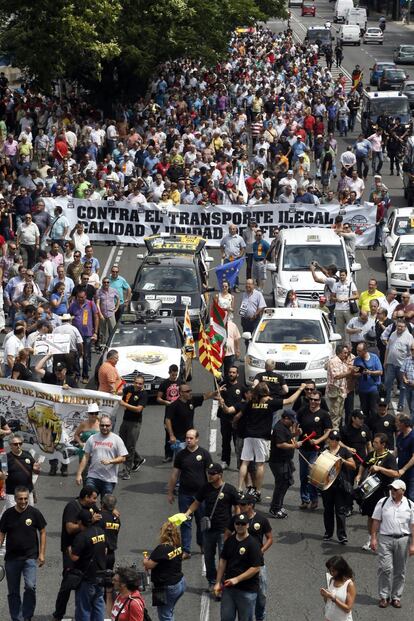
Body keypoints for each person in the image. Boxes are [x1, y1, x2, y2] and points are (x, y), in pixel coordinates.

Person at [238, 382, 306, 501]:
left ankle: (239, 488)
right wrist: (300, 389)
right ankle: (258, 491)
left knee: (245, 462)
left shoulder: (251, 402)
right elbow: (289, 401)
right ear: (265, 391)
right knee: (260, 464)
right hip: (261, 436)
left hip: (248, 435)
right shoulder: (270, 402)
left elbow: (241, 415)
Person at [184, 463, 240, 592]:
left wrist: (236, 524)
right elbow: (196, 503)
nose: (209, 475)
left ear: (220, 475)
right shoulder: (205, 488)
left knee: (223, 557)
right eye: (209, 473)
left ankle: (223, 582)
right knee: (208, 557)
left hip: (224, 530)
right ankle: (212, 581)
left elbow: (236, 507)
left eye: (212, 473)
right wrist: (187, 513)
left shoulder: (229, 490)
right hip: (208, 530)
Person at [52, 486, 101, 621]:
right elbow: (69, 528)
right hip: (71, 549)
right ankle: (58, 615)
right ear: (86, 497)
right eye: (94, 498)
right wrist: (88, 522)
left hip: (86, 549)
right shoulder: (72, 507)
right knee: (68, 582)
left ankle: (86, 611)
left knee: (89, 581)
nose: (95, 501)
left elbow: (100, 513)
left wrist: (111, 510)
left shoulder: (91, 507)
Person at [0, 486, 47, 621]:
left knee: (30, 587)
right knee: (13, 592)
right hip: (12, 559)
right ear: (15, 499)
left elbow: (42, 531)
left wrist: (42, 553)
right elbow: (2, 532)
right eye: (20, 498)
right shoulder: (8, 514)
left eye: (25, 498)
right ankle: (17, 618)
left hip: (30, 558)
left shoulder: (34, 513)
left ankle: (27, 616)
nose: (23, 501)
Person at [225, 493, 272, 621]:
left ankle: (260, 617)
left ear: (251, 505)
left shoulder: (261, 520)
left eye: (243, 504)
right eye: (239, 503)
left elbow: (270, 538)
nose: (240, 506)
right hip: (239, 563)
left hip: (258, 564)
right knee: (243, 592)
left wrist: (261, 551)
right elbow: (227, 535)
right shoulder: (236, 519)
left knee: (261, 595)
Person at [167, 428, 211, 558]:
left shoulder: (204, 454)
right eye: (187, 438)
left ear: (197, 439)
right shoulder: (181, 455)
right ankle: (186, 550)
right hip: (185, 494)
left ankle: (202, 544)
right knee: (185, 522)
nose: (188, 440)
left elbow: (210, 475)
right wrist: (170, 492)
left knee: (201, 521)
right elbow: (175, 474)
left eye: (191, 438)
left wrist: (211, 493)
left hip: (200, 495)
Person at [371, 480, 414, 609]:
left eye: (395, 489)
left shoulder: (410, 505)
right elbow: (376, 521)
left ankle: (396, 597)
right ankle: (384, 596)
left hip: (403, 540)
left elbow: (413, 526)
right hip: (385, 539)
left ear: (403, 491)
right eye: (391, 489)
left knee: (400, 571)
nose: (392, 492)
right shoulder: (383, 502)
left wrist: (412, 545)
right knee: (385, 568)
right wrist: (373, 538)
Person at [214, 512, 262, 620]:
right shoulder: (229, 541)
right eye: (238, 523)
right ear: (234, 525)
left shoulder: (253, 544)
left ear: (248, 525)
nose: (240, 526)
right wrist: (217, 582)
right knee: (226, 618)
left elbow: (255, 568)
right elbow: (223, 560)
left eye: (243, 524)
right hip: (229, 589)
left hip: (247, 591)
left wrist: (237, 579)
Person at [355, 433, 398, 551]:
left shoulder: (389, 457)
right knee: (371, 516)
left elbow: (395, 473)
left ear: (383, 444)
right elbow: (363, 465)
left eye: (376, 443)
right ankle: (370, 539)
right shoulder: (371, 454)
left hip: (383, 491)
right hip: (370, 491)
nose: (373, 444)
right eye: (373, 442)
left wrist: (380, 469)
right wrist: (359, 475)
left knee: (385, 517)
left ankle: (388, 541)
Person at [76, 413, 128, 497]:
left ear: (111, 426)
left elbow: (123, 458)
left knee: (105, 505)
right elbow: (86, 456)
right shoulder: (92, 438)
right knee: (89, 500)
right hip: (93, 476)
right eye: (102, 425)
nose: (104, 428)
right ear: (99, 425)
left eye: (107, 426)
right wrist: (79, 474)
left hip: (109, 479)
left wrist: (110, 461)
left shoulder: (117, 440)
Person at [297, 390, 333, 510]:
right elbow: (297, 425)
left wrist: (318, 441)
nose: (313, 402)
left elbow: (328, 431)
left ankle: (313, 499)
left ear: (320, 401)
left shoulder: (324, 414)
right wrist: (298, 432)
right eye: (311, 399)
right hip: (303, 448)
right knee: (303, 476)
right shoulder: (303, 411)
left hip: (316, 450)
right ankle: (304, 499)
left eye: (316, 400)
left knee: (312, 474)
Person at [143, 521, 186, 621]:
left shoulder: (162, 548)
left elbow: (149, 565)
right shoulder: (177, 545)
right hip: (180, 583)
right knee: (169, 611)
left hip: (167, 587)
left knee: (165, 616)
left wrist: (145, 561)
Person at [69, 508, 107, 621]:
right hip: (101, 575)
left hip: (87, 577)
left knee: (84, 608)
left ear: (80, 522)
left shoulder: (82, 536)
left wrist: (70, 549)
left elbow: (74, 557)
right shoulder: (100, 531)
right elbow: (105, 551)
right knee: (98, 605)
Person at [321, 430, 356, 544]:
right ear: (328, 440)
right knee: (328, 510)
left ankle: (342, 535)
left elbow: (353, 465)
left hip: (340, 485)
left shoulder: (344, 451)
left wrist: (343, 461)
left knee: (340, 511)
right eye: (332, 439)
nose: (334, 442)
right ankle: (328, 533)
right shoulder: (324, 452)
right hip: (327, 485)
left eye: (336, 440)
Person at [268, 409, 303, 518]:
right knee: (281, 484)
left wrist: (295, 434)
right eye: (291, 420)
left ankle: (278, 505)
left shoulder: (285, 427)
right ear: (285, 418)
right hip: (278, 462)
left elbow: (287, 437)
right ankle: (275, 508)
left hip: (285, 461)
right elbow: (280, 444)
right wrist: (294, 446)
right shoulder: (278, 428)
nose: (293, 423)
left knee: (287, 482)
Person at [165, 384, 216, 456]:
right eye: (187, 391)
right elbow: (167, 419)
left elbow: (204, 397)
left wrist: (214, 393)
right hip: (180, 438)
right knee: (181, 459)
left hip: (191, 436)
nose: (189, 393)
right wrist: (171, 435)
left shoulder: (191, 401)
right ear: (181, 393)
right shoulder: (174, 405)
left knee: (191, 457)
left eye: (190, 391)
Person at [0, 433, 40, 514]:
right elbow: (2, 473)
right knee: (13, 516)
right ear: (10, 445)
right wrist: (2, 476)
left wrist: (36, 469)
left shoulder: (27, 455)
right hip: (12, 493)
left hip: (27, 492)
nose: (18, 445)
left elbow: (35, 470)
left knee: (29, 515)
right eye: (15, 444)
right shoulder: (5, 458)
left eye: (20, 443)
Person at [119, 375, 148, 479]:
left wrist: (124, 404)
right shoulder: (129, 389)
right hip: (125, 420)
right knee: (122, 444)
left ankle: (127, 471)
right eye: (136, 383)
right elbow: (120, 392)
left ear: (143, 384)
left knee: (130, 447)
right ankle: (138, 459)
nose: (138, 385)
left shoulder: (143, 394)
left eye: (140, 384)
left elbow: (138, 409)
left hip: (135, 423)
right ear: (133, 382)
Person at [217, 366, 246, 469]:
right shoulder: (222, 384)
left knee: (237, 442)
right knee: (225, 440)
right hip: (224, 417)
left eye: (233, 372)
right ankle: (225, 461)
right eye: (230, 372)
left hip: (237, 419)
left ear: (237, 374)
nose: (231, 374)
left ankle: (240, 463)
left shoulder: (241, 387)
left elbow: (247, 401)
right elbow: (216, 395)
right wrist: (218, 395)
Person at [384, 319, 414, 412]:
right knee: (388, 385)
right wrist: (385, 361)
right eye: (398, 326)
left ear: (405, 327)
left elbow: (411, 353)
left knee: (402, 386)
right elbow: (388, 348)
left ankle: (401, 404)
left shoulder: (409, 337)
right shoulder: (393, 334)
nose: (399, 328)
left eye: (401, 326)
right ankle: (386, 403)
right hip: (391, 364)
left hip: (402, 366)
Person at [320, 555, 356, 621]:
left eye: (333, 571)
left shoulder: (349, 585)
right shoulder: (331, 580)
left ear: (340, 570)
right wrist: (325, 596)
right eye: (330, 570)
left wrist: (333, 598)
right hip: (329, 618)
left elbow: (348, 609)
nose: (331, 573)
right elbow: (327, 602)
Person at [156, 364, 180, 463]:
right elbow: (158, 398)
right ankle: (168, 455)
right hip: (169, 411)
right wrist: (166, 402)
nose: (174, 377)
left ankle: (179, 455)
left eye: (176, 375)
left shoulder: (181, 382)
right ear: (169, 373)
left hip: (179, 411)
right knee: (168, 434)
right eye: (173, 375)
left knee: (180, 434)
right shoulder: (164, 384)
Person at [353, 342, 383, 420]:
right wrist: (358, 373)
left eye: (359, 351)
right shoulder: (357, 360)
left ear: (365, 350)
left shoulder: (374, 357)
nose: (357, 352)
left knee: (374, 410)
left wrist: (370, 372)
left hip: (373, 389)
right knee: (364, 410)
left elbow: (380, 372)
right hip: (362, 390)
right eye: (357, 350)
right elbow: (354, 374)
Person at [326, 345, 352, 429]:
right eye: (345, 353)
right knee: (335, 415)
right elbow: (336, 376)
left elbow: (345, 372)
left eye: (347, 353)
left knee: (339, 414)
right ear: (339, 352)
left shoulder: (343, 361)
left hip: (342, 392)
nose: (346, 355)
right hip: (335, 392)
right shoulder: (333, 361)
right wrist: (350, 372)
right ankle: (333, 435)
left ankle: (336, 433)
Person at [220, 224, 246, 291]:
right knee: (227, 272)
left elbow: (243, 248)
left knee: (235, 273)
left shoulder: (239, 238)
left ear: (236, 230)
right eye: (230, 229)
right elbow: (222, 246)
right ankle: (227, 287)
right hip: (227, 258)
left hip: (236, 259)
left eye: (233, 229)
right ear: (229, 230)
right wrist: (223, 253)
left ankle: (236, 286)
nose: (232, 230)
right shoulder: (226, 238)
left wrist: (240, 255)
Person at [395, 415, 414, 501]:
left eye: (397, 422)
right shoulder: (400, 436)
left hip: (411, 473)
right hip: (402, 472)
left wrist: (404, 469)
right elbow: (396, 451)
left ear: (403, 423)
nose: (396, 424)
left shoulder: (412, 437)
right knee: (403, 496)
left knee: (411, 497)